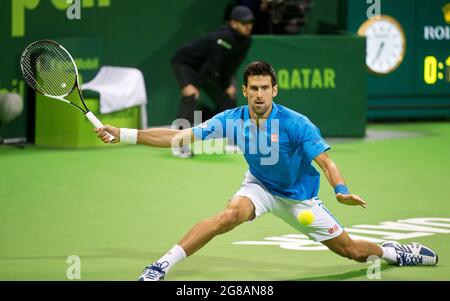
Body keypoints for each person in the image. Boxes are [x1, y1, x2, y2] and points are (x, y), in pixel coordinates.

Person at [96, 61, 438, 281]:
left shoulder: (295, 124)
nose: (259, 94)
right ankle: (161, 266)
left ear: (274, 90)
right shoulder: (232, 119)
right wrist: (125, 134)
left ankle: (392, 251)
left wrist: (340, 190)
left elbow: (326, 162)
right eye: (253, 88)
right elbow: (178, 135)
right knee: (228, 216)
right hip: (259, 186)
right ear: (244, 91)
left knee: (353, 252)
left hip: (300, 200)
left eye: (265, 88)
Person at [171, 5, 254, 158]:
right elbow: (210, 64)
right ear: (233, 23)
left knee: (227, 101)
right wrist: (194, 85)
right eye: (244, 23)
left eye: (250, 23)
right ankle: (179, 143)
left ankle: (232, 139)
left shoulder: (247, 41)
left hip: (207, 69)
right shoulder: (224, 36)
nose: (248, 26)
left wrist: (228, 83)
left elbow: (231, 65)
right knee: (190, 96)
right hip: (186, 63)